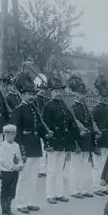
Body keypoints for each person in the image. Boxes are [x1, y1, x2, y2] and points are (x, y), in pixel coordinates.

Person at [12, 73, 51, 214]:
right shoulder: (19, 110)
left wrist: (45, 134)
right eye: (28, 94)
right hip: (24, 145)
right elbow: (17, 131)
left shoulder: (34, 109)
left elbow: (39, 126)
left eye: (33, 94)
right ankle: (20, 203)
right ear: (22, 94)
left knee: (33, 176)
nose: (31, 96)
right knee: (24, 176)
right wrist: (20, 149)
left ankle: (29, 202)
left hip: (35, 144)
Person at [43, 76, 80, 205]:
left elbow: (70, 124)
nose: (58, 93)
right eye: (55, 91)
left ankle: (58, 193)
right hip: (53, 142)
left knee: (60, 170)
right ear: (51, 92)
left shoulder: (64, 105)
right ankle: (49, 194)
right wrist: (47, 144)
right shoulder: (48, 106)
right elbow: (45, 126)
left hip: (63, 142)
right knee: (52, 170)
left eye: (60, 91)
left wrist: (71, 142)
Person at [68, 75, 97, 199]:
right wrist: (75, 143)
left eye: (83, 94)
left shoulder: (84, 107)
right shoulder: (73, 108)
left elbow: (90, 123)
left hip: (87, 139)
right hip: (78, 139)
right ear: (74, 94)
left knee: (85, 166)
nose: (81, 96)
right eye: (79, 93)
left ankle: (84, 189)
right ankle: (74, 190)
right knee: (75, 166)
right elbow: (73, 126)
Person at [0, 124, 23, 215]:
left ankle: (9, 210)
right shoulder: (3, 146)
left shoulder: (16, 145)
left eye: (12, 134)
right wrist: (12, 167)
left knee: (12, 191)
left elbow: (19, 157)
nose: (10, 136)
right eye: (8, 134)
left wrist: (20, 165)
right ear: (4, 134)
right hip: (6, 172)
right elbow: (2, 160)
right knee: (5, 191)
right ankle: (4, 212)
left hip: (15, 172)